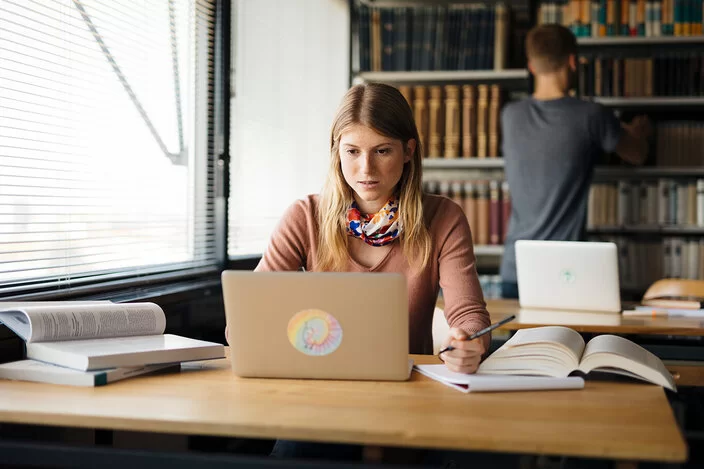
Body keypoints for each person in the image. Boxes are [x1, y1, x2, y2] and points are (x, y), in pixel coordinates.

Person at [225, 82, 492, 463]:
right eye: (352, 151)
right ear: (337, 153)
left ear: (408, 152)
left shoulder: (444, 217)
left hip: (411, 399)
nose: (365, 169)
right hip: (320, 399)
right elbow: (244, 323)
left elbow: (468, 313)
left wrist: (471, 343)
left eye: (382, 151)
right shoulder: (305, 216)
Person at [500, 24, 653, 299]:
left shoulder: (510, 116)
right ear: (573, 62)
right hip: (567, 273)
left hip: (516, 268)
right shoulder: (591, 115)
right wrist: (637, 132)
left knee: (522, 345)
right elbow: (637, 154)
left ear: (532, 66)